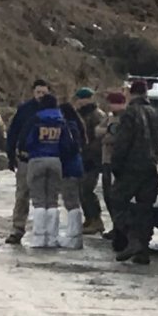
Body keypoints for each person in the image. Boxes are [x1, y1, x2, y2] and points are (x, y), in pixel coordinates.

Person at [110, 80, 158, 265]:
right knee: (145, 209)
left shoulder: (130, 114)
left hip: (131, 167)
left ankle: (132, 237)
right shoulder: (157, 114)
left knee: (116, 200)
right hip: (152, 168)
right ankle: (143, 249)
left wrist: (116, 165)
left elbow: (122, 142)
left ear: (131, 93)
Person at [18, 94, 77, 248]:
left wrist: (26, 151)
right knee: (52, 200)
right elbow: (68, 144)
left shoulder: (35, 119)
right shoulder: (61, 120)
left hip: (37, 159)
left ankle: (39, 238)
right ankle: (51, 237)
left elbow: (23, 140)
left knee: (39, 200)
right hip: (55, 160)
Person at [5, 79, 50, 245]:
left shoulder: (52, 110)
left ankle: (43, 231)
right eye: (38, 92)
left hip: (45, 158)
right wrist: (11, 155)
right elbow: (13, 132)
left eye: (44, 93)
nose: (40, 96)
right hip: (25, 158)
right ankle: (17, 229)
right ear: (33, 92)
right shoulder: (24, 110)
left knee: (44, 197)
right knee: (22, 195)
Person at [74, 88, 108, 235]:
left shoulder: (97, 115)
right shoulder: (80, 114)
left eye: (82, 99)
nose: (79, 102)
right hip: (82, 157)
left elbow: (99, 138)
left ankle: (96, 219)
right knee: (81, 190)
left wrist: (89, 152)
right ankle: (89, 218)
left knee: (86, 189)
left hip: (92, 159)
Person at [97, 92, 126, 245]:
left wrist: (109, 135)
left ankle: (120, 227)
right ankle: (115, 225)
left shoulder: (125, 118)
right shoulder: (109, 118)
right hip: (106, 161)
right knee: (107, 195)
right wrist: (107, 131)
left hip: (117, 162)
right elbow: (98, 131)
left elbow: (119, 137)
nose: (110, 106)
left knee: (116, 197)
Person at [58, 102, 86, 249]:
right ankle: (74, 235)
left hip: (69, 168)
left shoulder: (68, 127)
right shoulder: (76, 125)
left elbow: (68, 148)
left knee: (71, 202)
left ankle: (74, 236)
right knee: (73, 201)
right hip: (76, 166)